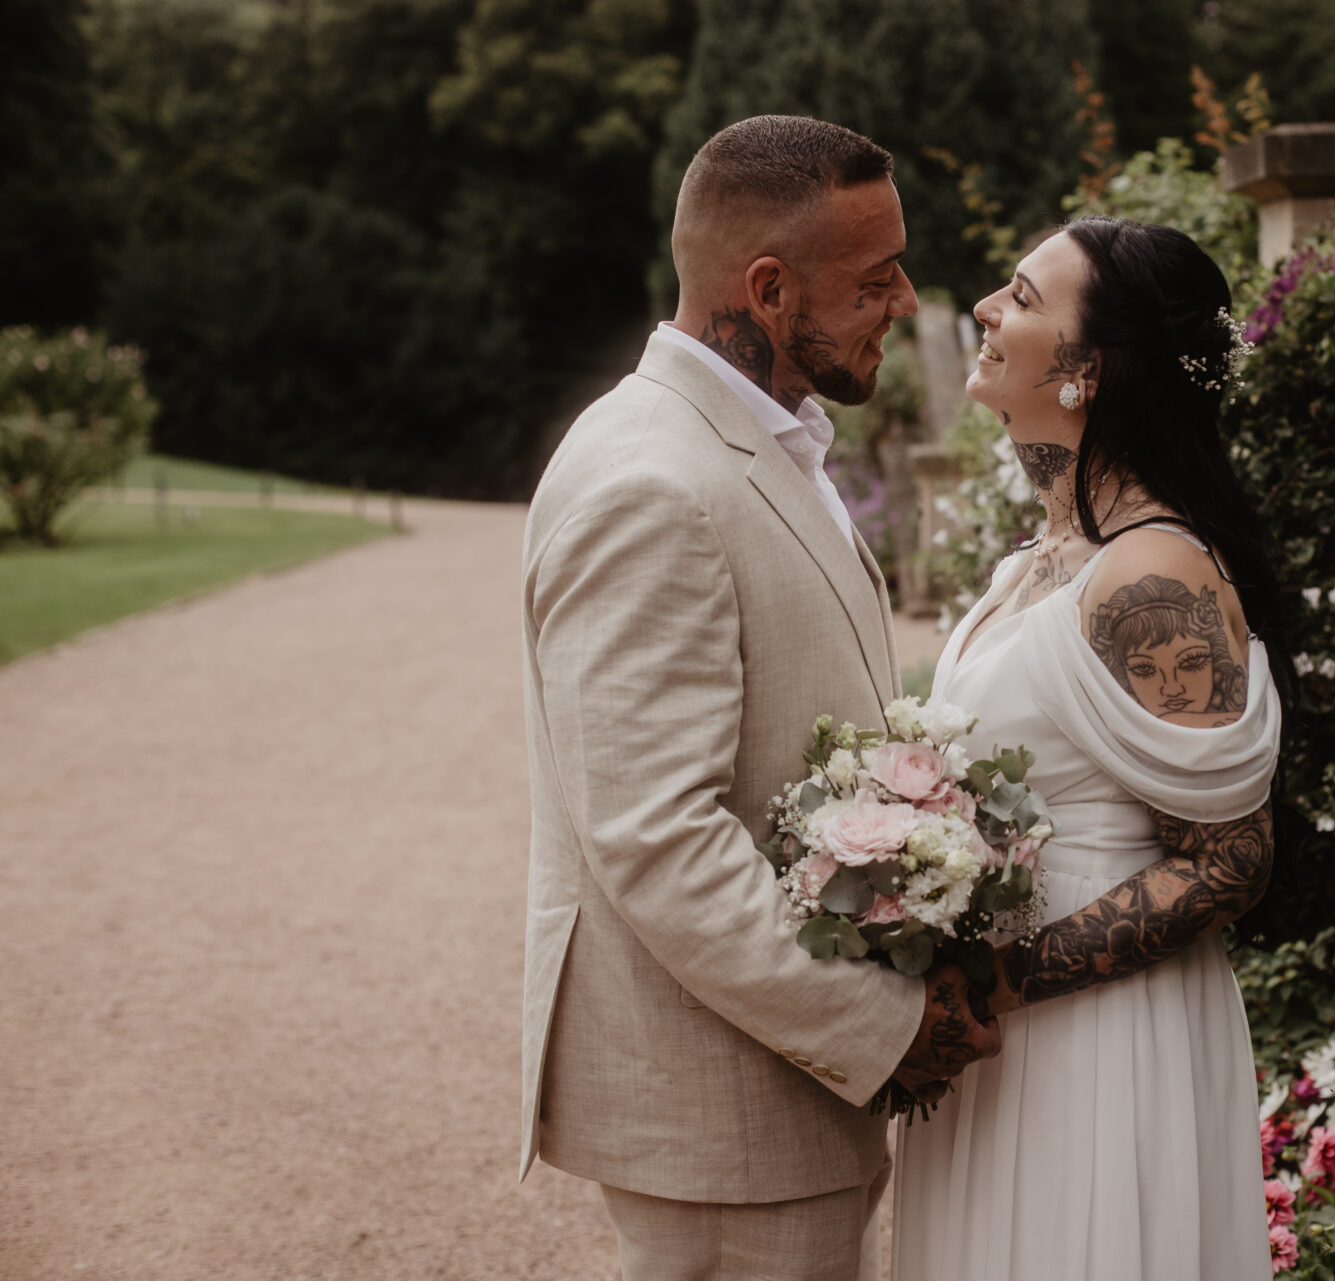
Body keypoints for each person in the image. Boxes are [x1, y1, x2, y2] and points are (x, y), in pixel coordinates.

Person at [517, 115, 1001, 1281]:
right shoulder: (652, 482)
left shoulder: (760, 440)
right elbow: (658, 838)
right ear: (768, 288)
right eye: (874, 278)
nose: (904, 299)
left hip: (768, 1089)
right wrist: (887, 1027)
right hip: (722, 1107)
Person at [892, 215, 1286, 1281]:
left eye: (1021, 297)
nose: (985, 308)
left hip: (1101, 1047)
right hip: (1006, 1048)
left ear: (1088, 371)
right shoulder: (1043, 557)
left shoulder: (1154, 580)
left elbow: (1230, 859)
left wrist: (997, 976)